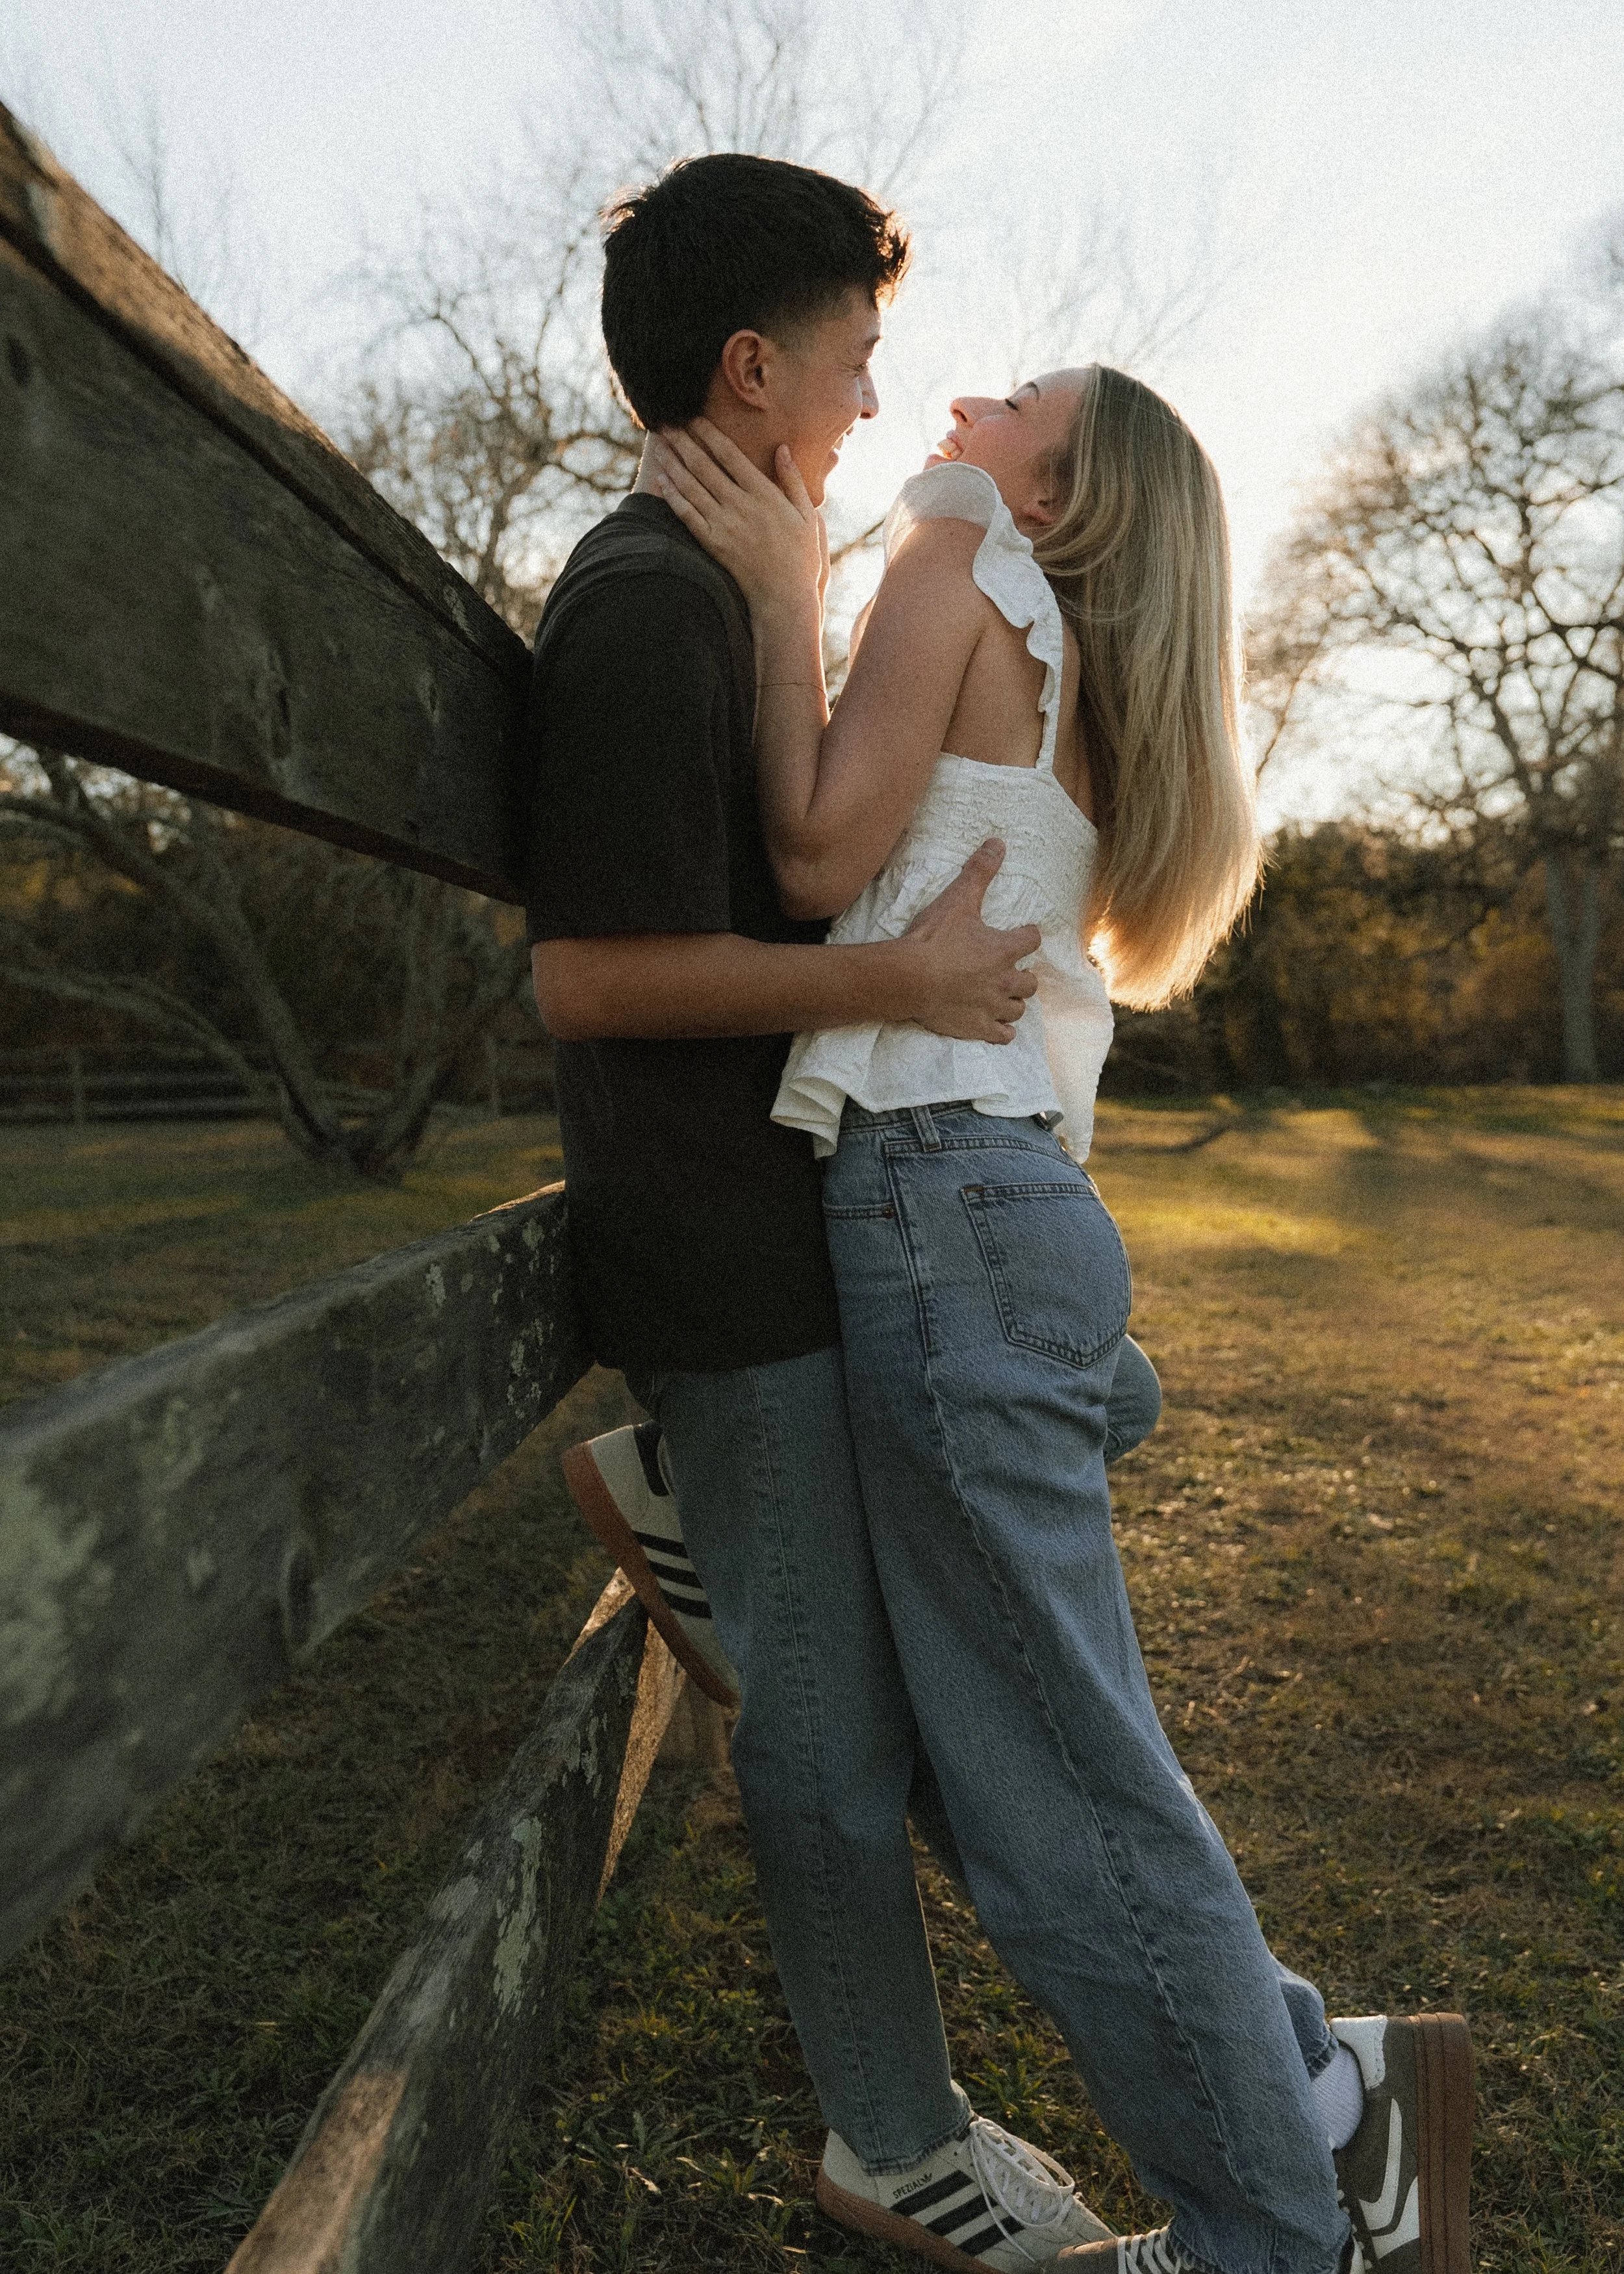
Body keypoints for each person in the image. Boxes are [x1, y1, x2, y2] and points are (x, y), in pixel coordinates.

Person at [627, 360, 1475, 2274]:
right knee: (1032, 1747)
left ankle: (1279, 2232)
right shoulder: (1090, 668)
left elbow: (816, 861)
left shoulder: (952, 544)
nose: (958, 396)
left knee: (1062, 1779)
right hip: (999, 1220)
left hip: (940, 1212)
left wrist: (782, 587)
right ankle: (1327, 2103)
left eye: (1011, 398)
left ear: (1062, 495)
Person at [523, 151, 1125, 2267]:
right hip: (717, 1242)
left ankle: (687, 1495)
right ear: (756, 364)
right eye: (856, 364)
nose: (874, 408)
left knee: (922, 1626)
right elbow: (585, 979)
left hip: (791, 1227)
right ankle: (890, 2137)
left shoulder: (723, 585)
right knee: (833, 1726)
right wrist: (895, 980)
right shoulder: (648, 604)